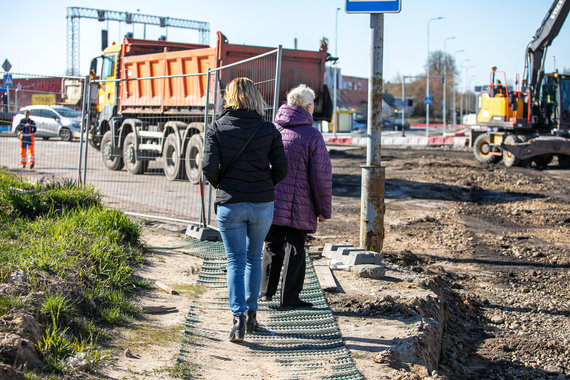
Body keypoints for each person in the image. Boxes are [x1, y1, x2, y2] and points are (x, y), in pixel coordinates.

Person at [202, 77, 288, 343]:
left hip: (230, 204)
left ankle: (237, 321)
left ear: (229, 97)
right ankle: (252, 317)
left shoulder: (216, 128)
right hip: (262, 203)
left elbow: (208, 167)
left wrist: (223, 186)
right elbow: (282, 168)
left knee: (235, 261)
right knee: (253, 258)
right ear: (255, 97)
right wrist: (265, 185)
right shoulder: (268, 129)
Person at [260, 84, 332, 310]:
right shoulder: (312, 135)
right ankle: (289, 299)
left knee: (271, 245)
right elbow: (320, 176)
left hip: (271, 200)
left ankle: (266, 293)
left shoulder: (272, 129)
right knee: (295, 248)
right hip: (300, 204)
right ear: (309, 106)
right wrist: (323, 210)